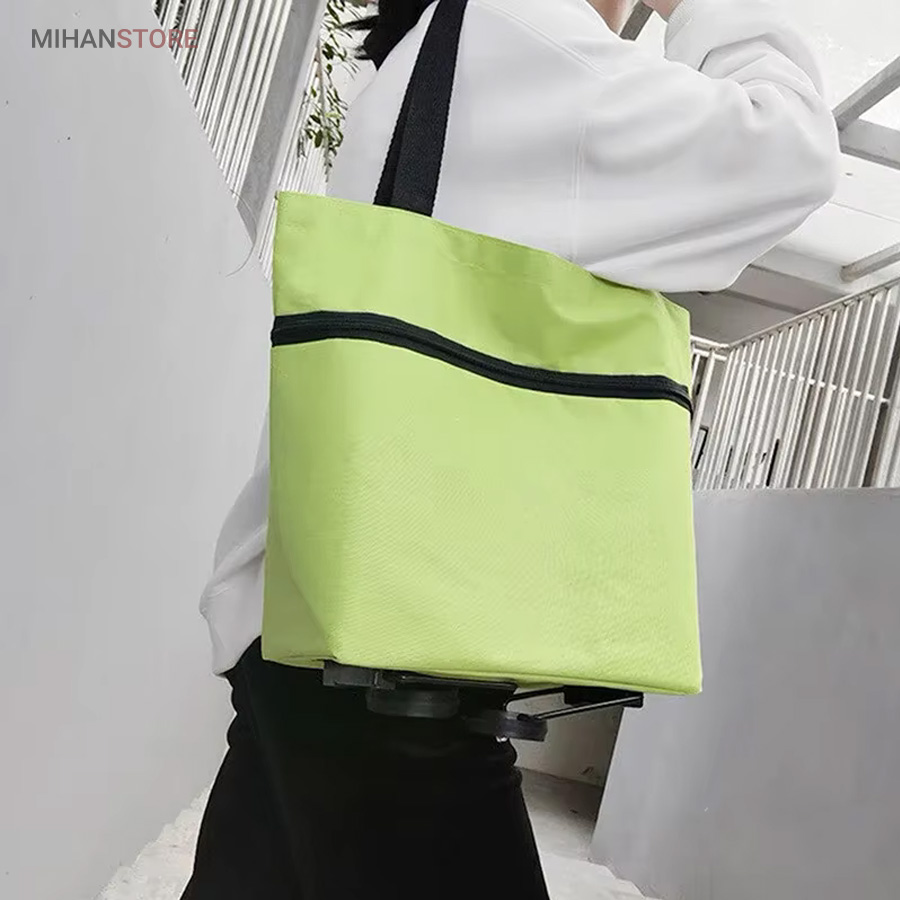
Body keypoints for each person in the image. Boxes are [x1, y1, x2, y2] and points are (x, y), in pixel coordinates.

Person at [183, 1, 839, 898]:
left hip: (305, 629)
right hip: (392, 682)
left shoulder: (445, 49)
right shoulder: (525, 35)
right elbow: (789, 150)